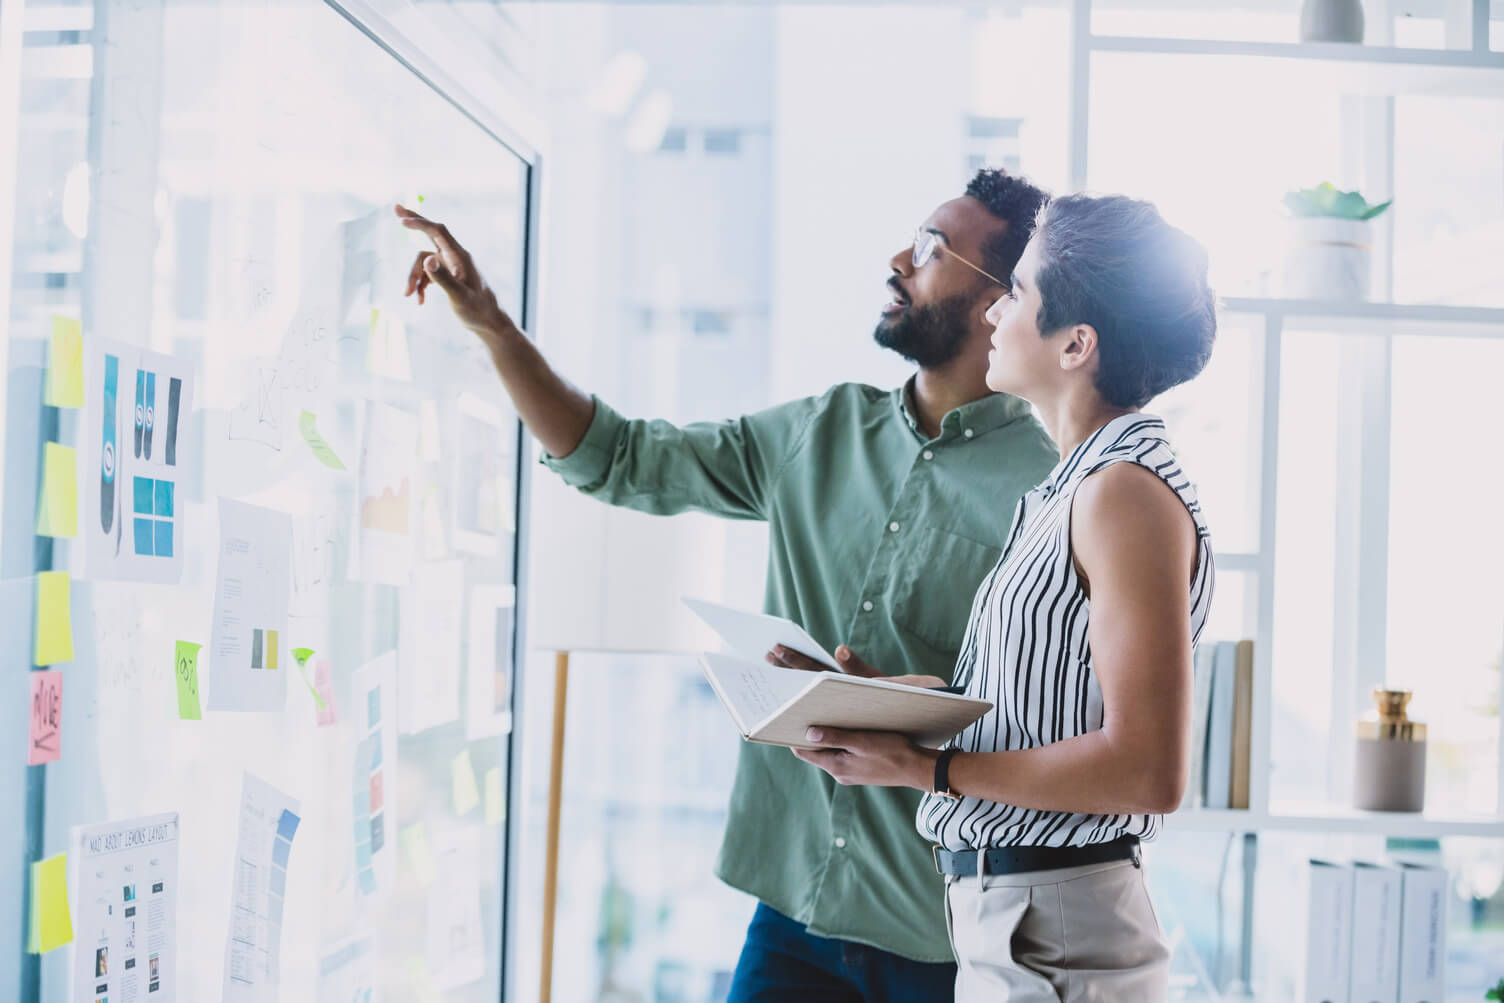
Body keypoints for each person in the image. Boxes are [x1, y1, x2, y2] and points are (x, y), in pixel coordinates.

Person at [397, 169, 1059, 1002]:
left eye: (933, 247)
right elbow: (618, 457)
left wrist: (911, 702)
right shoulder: (818, 431)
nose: (899, 258)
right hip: (791, 914)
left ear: (1000, 297)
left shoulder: (1053, 488)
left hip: (945, 935)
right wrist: (492, 326)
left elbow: (1056, 715)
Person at [791, 193, 1218, 1002]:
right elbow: (1044, 710)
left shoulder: (1120, 493)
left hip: (1058, 938)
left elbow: (1148, 769)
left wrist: (930, 766)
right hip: (1019, 925)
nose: (995, 312)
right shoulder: (1069, 488)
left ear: (1076, 345)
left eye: (1017, 293)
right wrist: (889, 703)